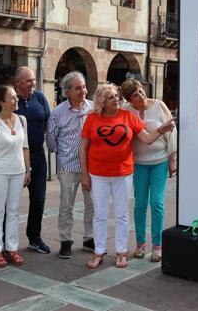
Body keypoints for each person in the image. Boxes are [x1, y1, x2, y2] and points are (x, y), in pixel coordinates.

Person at [80, 84, 173, 269]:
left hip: (123, 173)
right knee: (100, 214)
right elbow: (83, 147)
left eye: (116, 95)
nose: (116, 99)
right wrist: (85, 175)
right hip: (98, 174)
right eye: (110, 97)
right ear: (101, 102)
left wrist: (162, 130)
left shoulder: (128, 116)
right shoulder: (91, 119)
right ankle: (99, 251)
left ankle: (121, 252)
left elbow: (146, 138)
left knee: (122, 214)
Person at [121, 79, 177, 263]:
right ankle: (140, 244)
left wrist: (172, 159)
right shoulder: (127, 112)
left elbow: (172, 132)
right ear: (129, 100)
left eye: (140, 91)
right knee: (140, 203)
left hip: (159, 160)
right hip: (138, 163)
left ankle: (158, 246)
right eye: (135, 95)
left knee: (156, 203)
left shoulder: (159, 105)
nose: (141, 95)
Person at [46, 71, 95, 259]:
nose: (83, 91)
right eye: (77, 88)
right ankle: (65, 240)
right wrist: (62, 153)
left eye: (83, 86)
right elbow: (51, 137)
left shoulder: (93, 109)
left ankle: (89, 237)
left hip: (91, 165)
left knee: (92, 203)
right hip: (68, 165)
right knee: (67, 204)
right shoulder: (58, 112)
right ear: (67, 92)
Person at [0, 85, 30, 267]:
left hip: (18, 171)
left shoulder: (22, 120)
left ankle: (12, 248)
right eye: (12, 98)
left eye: (16, 97)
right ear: (1, 103)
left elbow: (25, 147)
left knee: (13, 211)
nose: (16, 100)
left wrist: (28, 169)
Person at [14, 66, 51, 254]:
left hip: (37, 155)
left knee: (38, 199)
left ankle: (34, 238)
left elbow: (46, 121)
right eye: (29, 81)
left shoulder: (40, 98)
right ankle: (6, 241)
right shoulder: (11, 99)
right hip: (15, 157)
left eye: (34, 80)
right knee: (10, 201)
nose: (33, 83)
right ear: (18, 82)